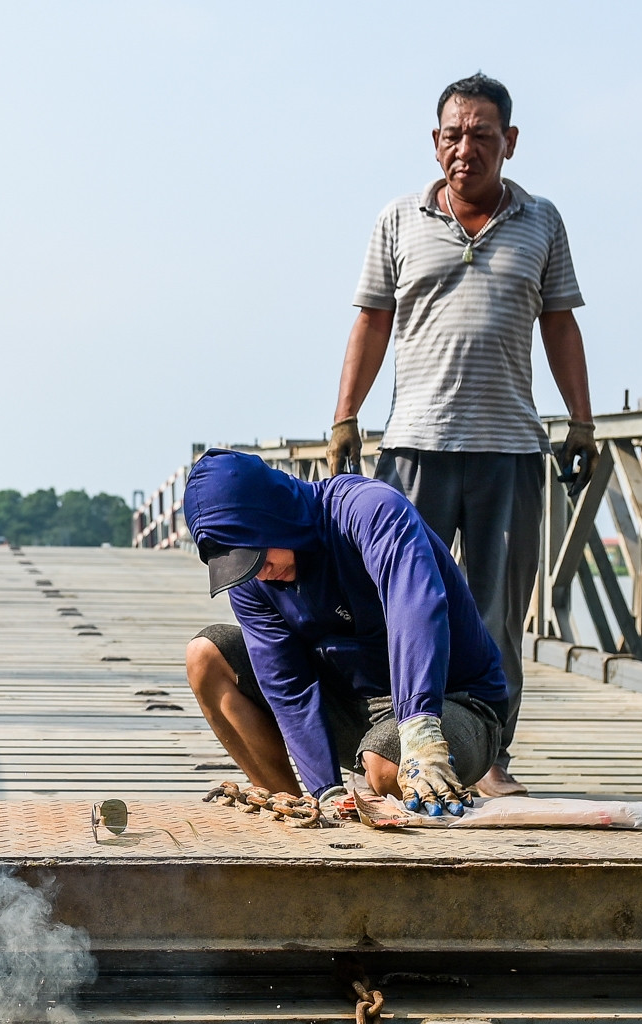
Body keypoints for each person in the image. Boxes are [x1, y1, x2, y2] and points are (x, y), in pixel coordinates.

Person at [327, 73, 595, 798]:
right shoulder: (399, 218)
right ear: (434, 141)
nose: (464, 148)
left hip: (507, 445)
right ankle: (398, 739)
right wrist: (346, 414)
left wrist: (582, 420)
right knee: (396, 601)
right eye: (452, 134)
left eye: (481, 134)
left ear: (510, 142)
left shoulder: (542, 221)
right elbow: (372, 320)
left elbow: (561, 322)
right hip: (415, 441)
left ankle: (488, 754)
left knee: (496, 611)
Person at [182, 450, 510, 815]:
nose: (259, 574)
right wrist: (325, 789)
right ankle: (302, 808)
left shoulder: (370, 511)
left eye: (256, 558)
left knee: (387, 767)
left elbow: (415, 609)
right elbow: (288, 687)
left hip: (449, 701)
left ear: (277, 515)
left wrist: (418, 728)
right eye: (242, 568)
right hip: (352, 702)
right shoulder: (252, 582)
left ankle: (408, 759)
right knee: (206, 656)